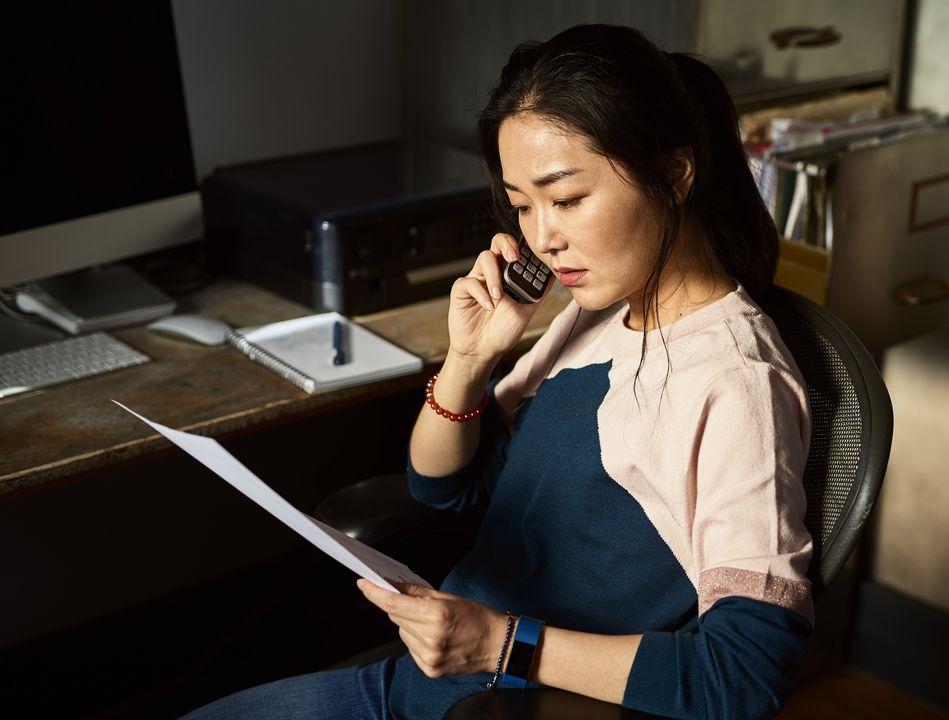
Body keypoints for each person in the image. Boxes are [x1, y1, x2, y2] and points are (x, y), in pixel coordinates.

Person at [182, 23, 813, 720]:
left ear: (674, 173)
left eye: (567, 198)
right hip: (430, 685)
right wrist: (470, 361)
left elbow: (743, 674)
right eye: (522, 205)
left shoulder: (735, 382)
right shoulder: (599, 309)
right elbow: (441, 489)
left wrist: (499, 645)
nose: (544, 236)